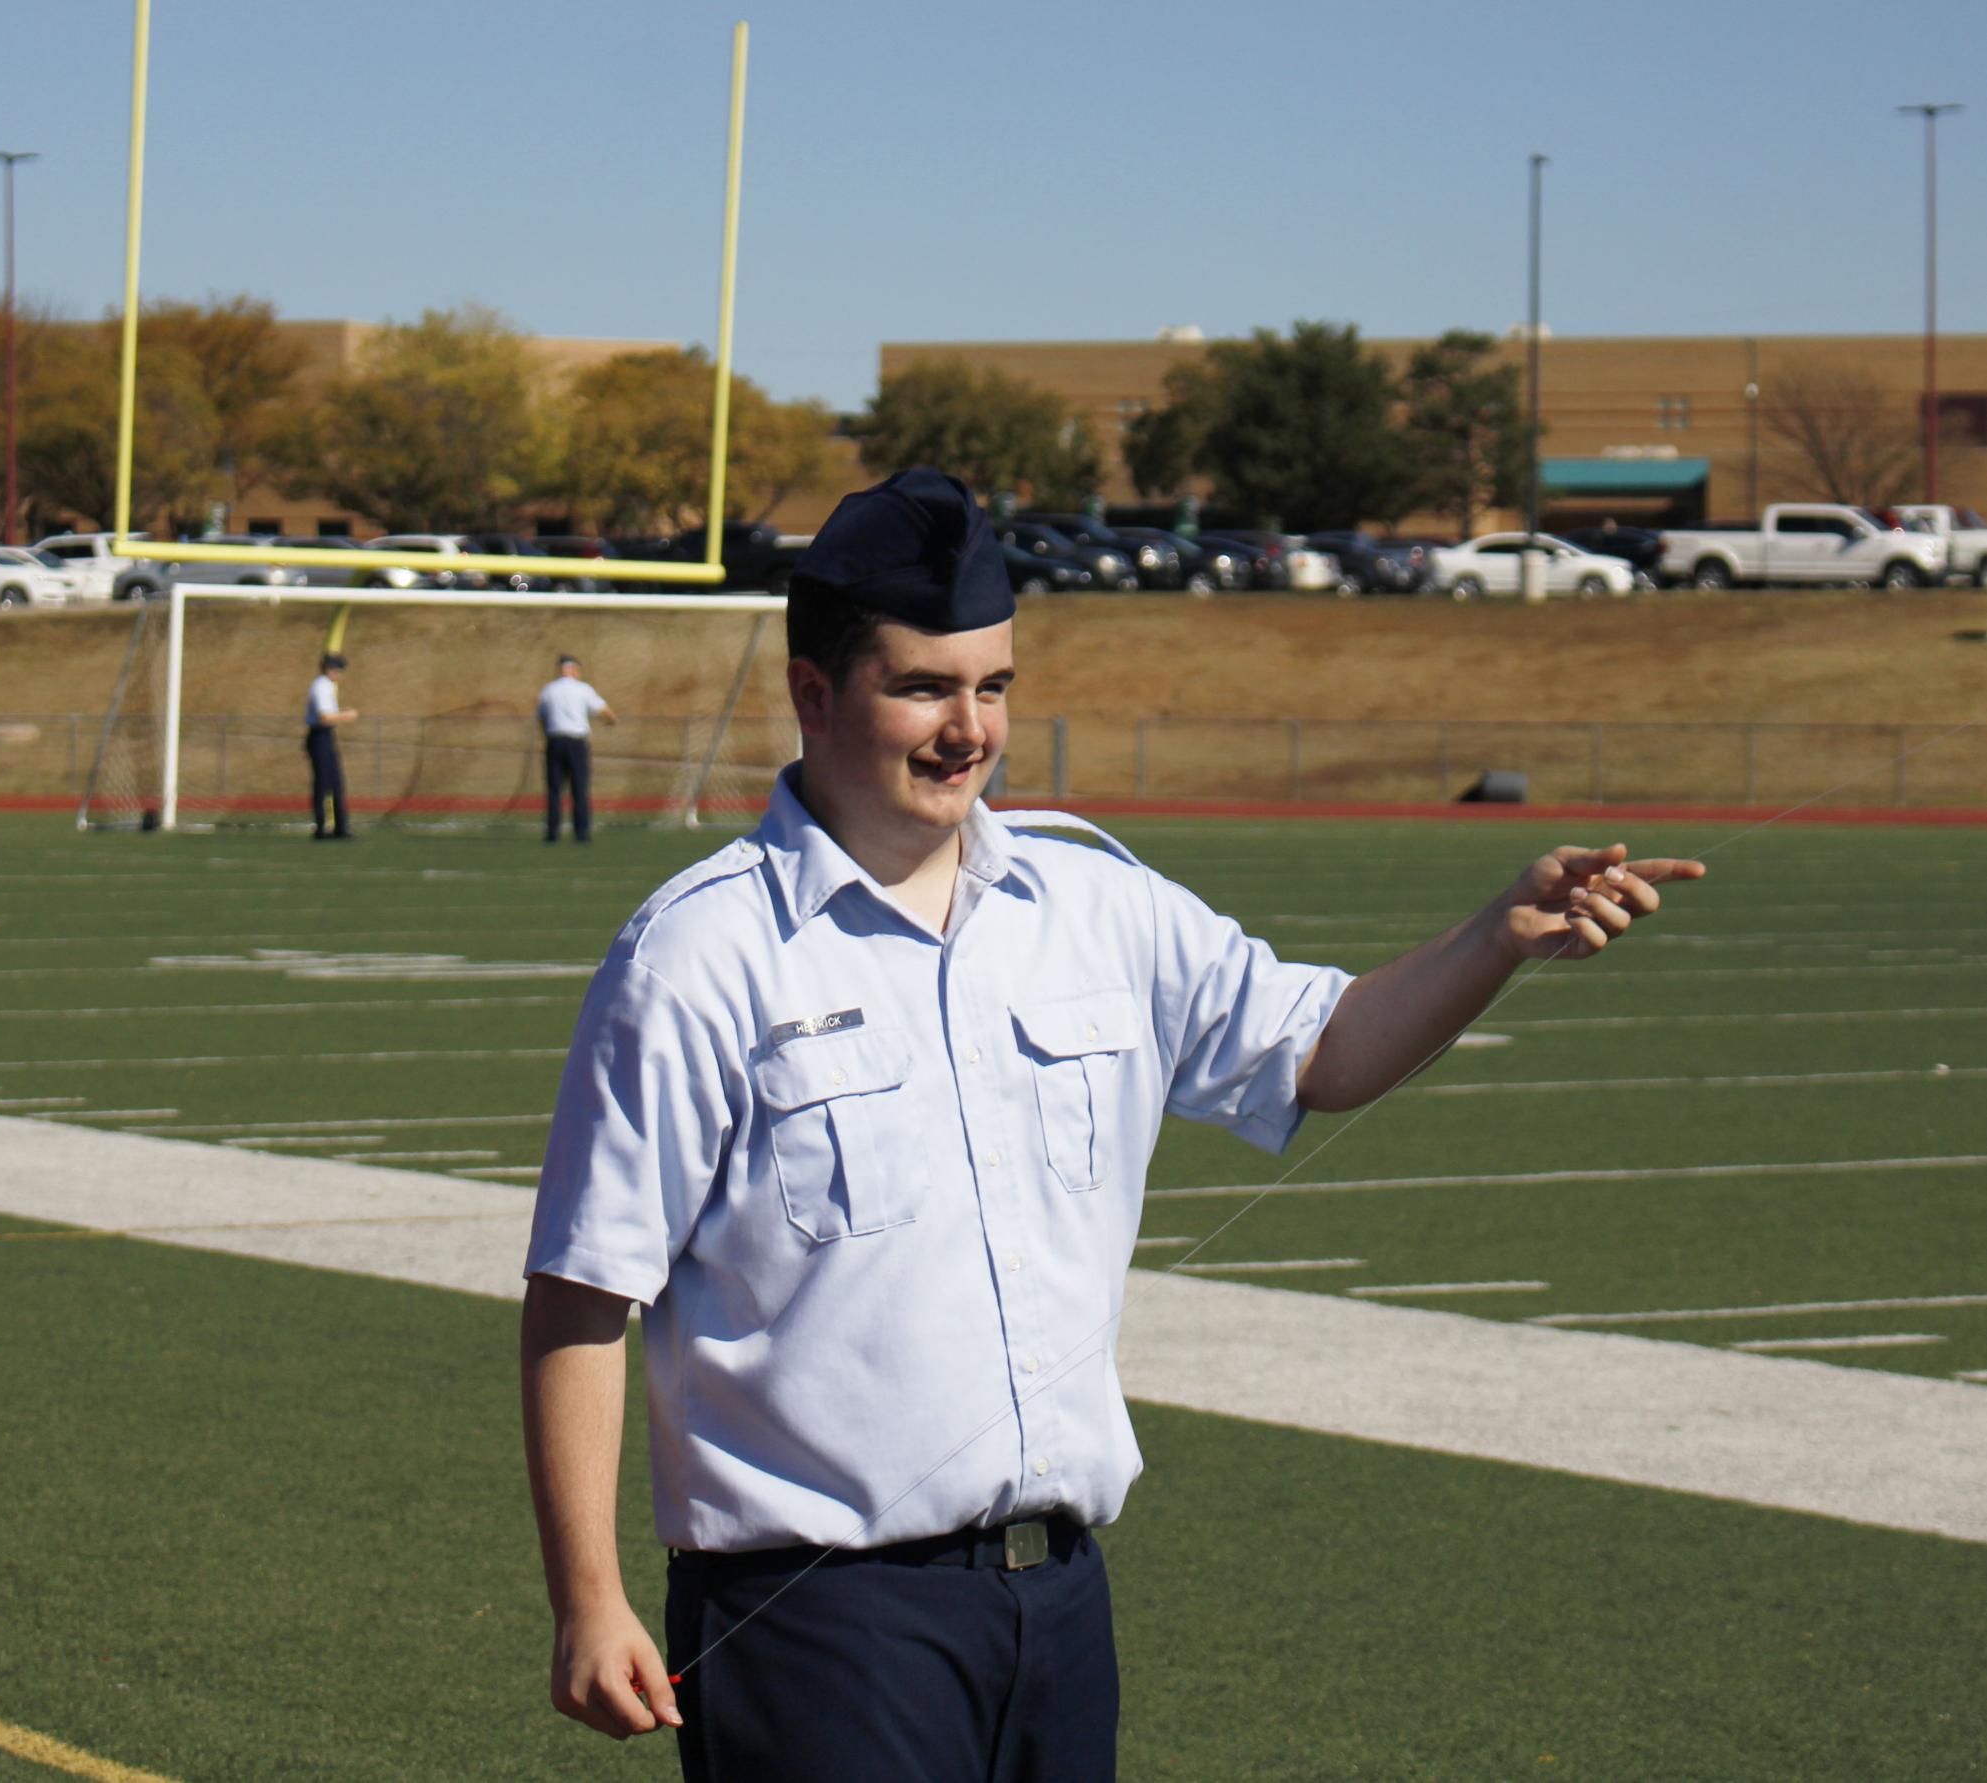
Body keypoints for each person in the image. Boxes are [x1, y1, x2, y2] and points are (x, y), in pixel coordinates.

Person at [519, 467, 1705, 1781]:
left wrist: (1498, 936)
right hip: (819, 1622)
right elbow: (581, 1294)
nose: (969, 728)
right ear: (813, 690)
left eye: (995, 686)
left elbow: (1319, 1047)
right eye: (923, 686)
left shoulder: (1095, 900)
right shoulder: (700, 952)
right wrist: (589, 1594)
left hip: (1058, 1605)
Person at [536, 655, 617, 843]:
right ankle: (581, 833)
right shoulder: (583, 689)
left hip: (555, 740)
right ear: (573, 670)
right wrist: (611, 721)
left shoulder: (549, 690)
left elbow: (542, 716)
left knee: (555, 789)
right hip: (576, 742)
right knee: (579, 788)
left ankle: (552, 833)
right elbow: (604, 711)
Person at [303, 651, 356, 840]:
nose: (340, 674)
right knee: (323, 784)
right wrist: (346, 716)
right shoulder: (322, 686)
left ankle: (341, 828)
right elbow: (324, 717)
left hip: (325, 736)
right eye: (339, 670)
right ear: (330, 669)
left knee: (336, 783)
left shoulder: (326, 686)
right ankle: (321, 828)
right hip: (319, 737)